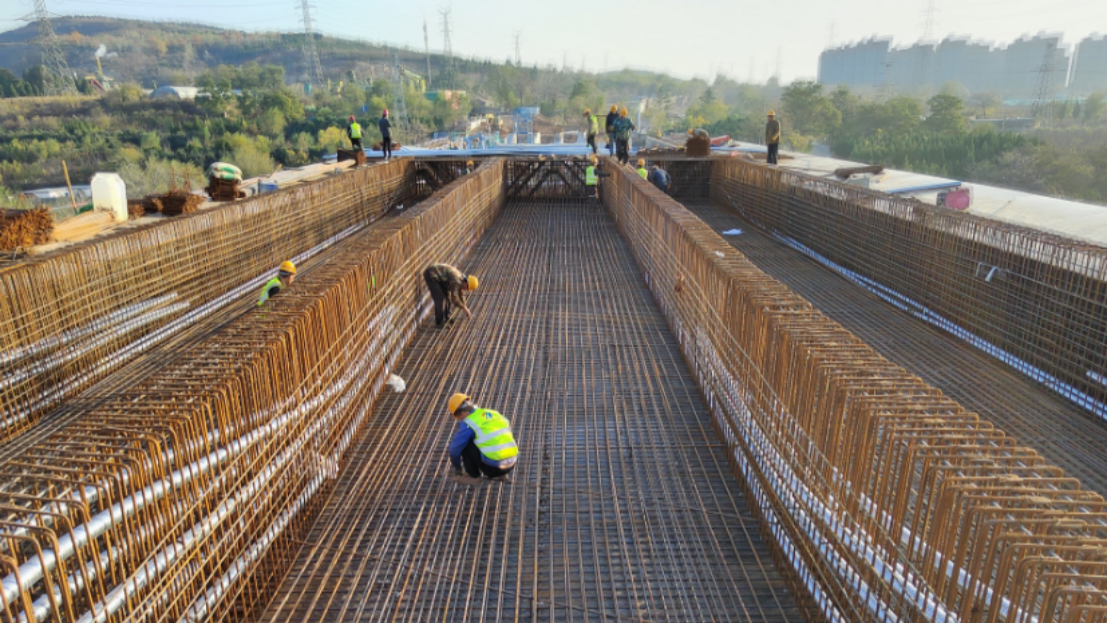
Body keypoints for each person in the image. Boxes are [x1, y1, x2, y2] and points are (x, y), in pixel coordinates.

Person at [447, 393, 517, 481]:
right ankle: (502, 475)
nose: (459, 419)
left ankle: (473, 477)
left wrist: (458, 468)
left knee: (465, 444)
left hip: (493, 468)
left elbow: (454, 450)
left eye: (458, 417)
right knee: (484, 437)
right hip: (512, 463)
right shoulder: (493, 413)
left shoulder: (468, 423)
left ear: (462, 413)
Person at [422, 263, 478, 327]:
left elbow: (461, 294)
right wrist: (463, 308)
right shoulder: (457, 280)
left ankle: (447, 317)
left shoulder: (462, 279)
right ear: (466, 283)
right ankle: (439, 322)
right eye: (467, 288)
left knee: (447, 296)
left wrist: (465, 306)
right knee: (440, 298)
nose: (466, 289)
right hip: (431, 275)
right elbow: (455, 298)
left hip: (441, 279)